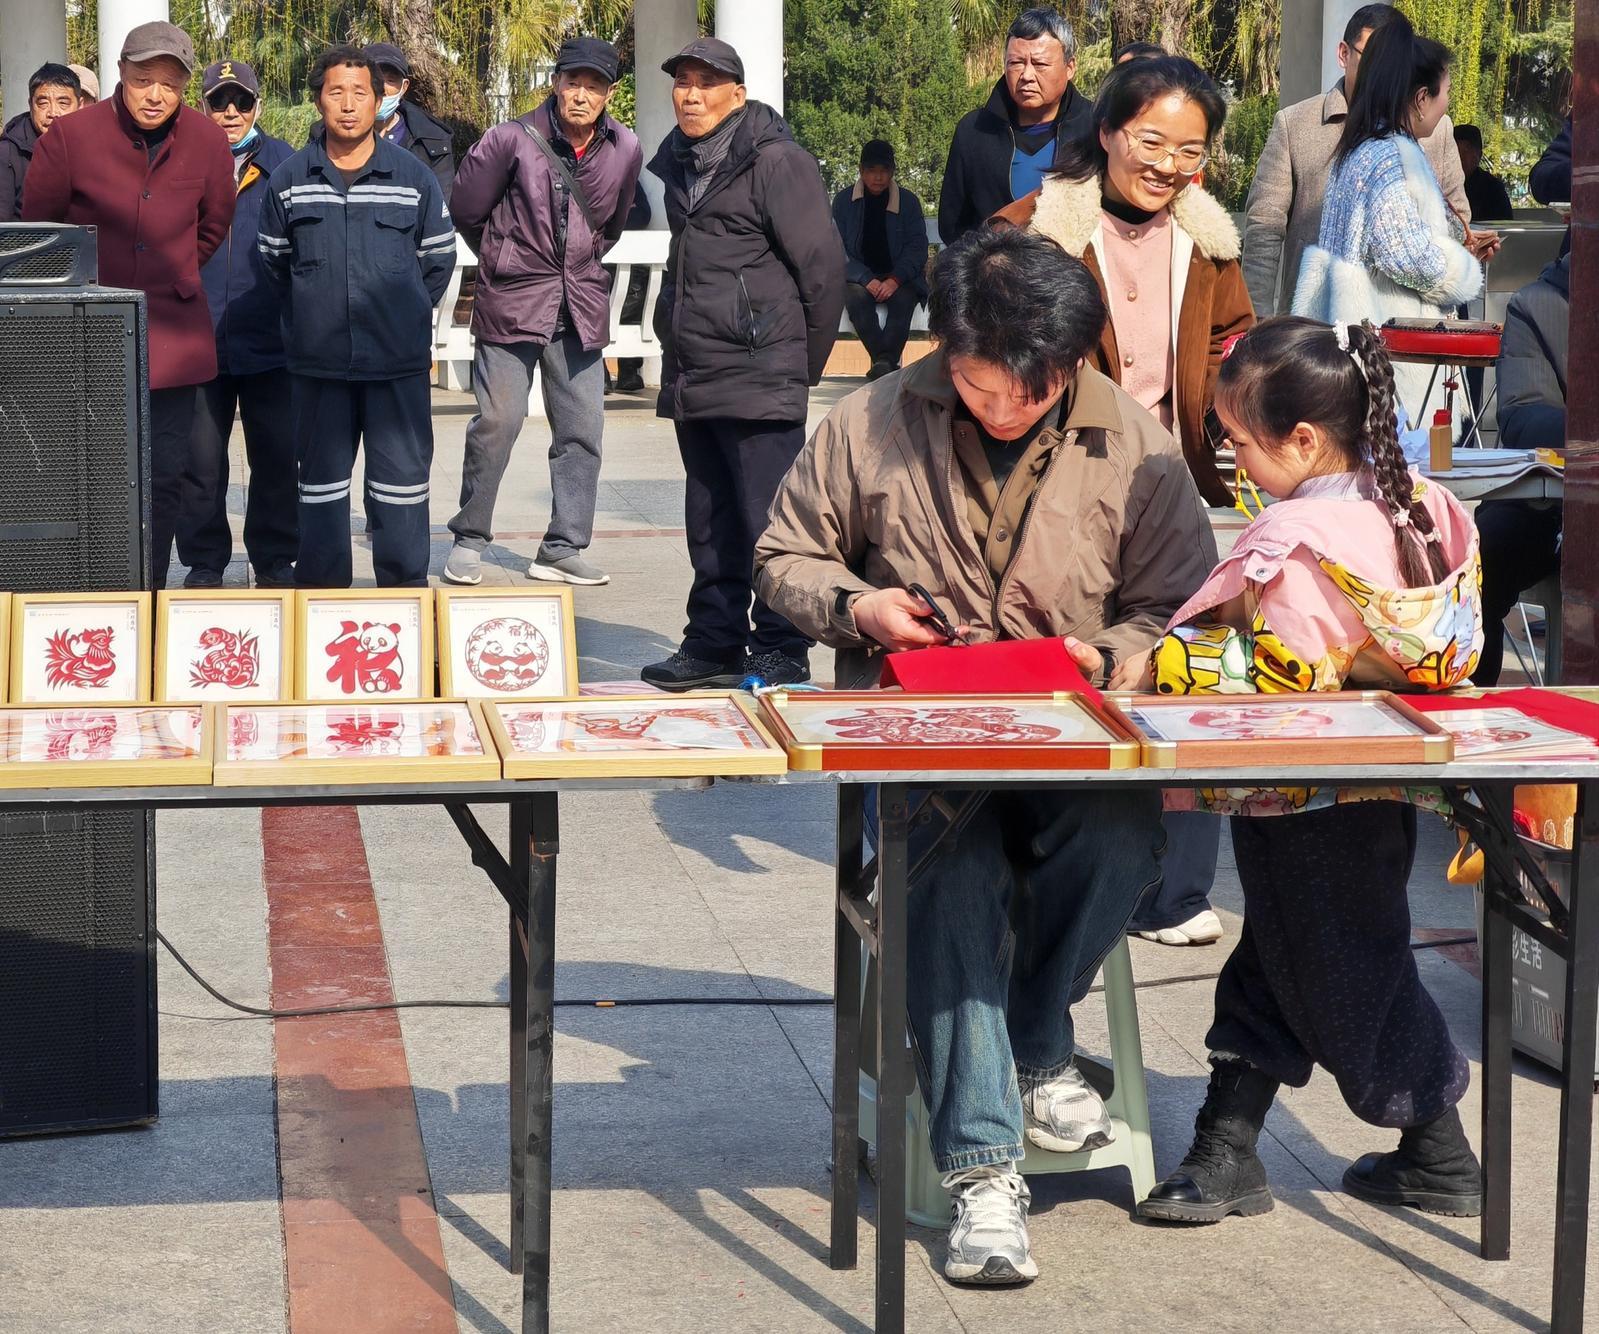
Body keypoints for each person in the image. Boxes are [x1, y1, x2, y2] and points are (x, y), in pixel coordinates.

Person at [754, 226, 1215, 1284]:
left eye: (1030, 388)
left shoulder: (1136, 445)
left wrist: (1102, 654)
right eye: (977, 381)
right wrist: (861, 604)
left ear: (1073, 363)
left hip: (1071, 744)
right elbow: (783, 553)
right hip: (918, 740)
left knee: (1124, 838)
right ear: (943, 343)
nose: (1003, 406)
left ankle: (1035, 1033)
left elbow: (1181, 609)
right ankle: (984, 1169)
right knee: (947, 872)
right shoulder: (871, 420)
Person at [1128, 318, 1484, 1225]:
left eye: (1238, 440)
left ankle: (1436, 1150)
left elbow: (1221, 660)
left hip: (1294, 783)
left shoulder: (1288, 535)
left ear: (1300, 438)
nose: (1234, 462)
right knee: (1290, 951)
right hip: (1388, 777)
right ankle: (1229, 1147)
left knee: (1342, 964)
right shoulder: (1424, 505)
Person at [641, 37, 844, 691]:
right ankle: (712, 642)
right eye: (682, 82)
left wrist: (796, 367)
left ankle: (781, 645)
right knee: (709, 518)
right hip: (694, 370)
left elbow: (822, 268)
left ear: (738, 93)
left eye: (706, 82)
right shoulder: (678, 161)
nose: (690, 94)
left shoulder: (777, 161)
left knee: (770, 519)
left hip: (762, 370)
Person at [23, 21, 235, 589]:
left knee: (166, 471)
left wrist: (173, 270)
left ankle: (148, 589)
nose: (156, 95)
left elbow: (213, 225)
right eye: (144, 80)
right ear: (120, 74)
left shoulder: (209, 141)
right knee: (86, 471)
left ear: (186, 86)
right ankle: (81, 587)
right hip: (84, 335)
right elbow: (39, 231)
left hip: (172, 333)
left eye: (169, 83)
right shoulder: (71, 136)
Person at [995, 56, 1254, 508]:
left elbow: (1229, 338)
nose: (1167, 166)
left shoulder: (1208, 246)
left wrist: (1210, 418)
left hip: (1170, 479)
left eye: (1189, 151)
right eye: (1151, 143)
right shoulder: (1030, 233)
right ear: (1106, 132)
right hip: (1054, 484)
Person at [444, 37, 642, 589]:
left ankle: (563, 546)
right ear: (556, 82)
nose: (582, 95)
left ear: (609, 93)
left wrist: (573, 263)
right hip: (512, 299)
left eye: (595, 85)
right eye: (573, 81)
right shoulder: (511, 138)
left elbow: (613, 224)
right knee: (498, 421)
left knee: (582, 429)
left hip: (579, 303)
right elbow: (466, 209)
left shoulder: (625, 148)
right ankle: (469, 537)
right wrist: (510, 254)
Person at [256, 46, 454, 588]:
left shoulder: (413, 177)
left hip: (397, 366)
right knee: (320, 490)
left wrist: (400, 312)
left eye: (360, 92)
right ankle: (322, 596)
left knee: (402, 490)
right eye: (335, 92)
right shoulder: (291, 179)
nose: (348, 105)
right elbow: (275, 262)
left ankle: (404, 594)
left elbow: (437, 259)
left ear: (380, 98)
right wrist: (313, 312)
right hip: (317, 368)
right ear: (318, 98)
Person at [1293, 12, 1490, 442]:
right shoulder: (1390, 155)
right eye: (1446, 94)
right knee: (1397, 489)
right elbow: (1407, 254)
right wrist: (1463, 271)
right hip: (1387, 362)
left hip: (1359, 348)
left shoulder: (1364, 148)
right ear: (1421, 97)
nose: (1446, 106)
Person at [1241, 3, 1482, 317]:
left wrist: (1465, 245)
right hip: (1319, 327)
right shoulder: (1297, 124)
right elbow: (1264, 227)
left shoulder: (1436, 130)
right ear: (1343, 54)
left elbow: (1455, 213)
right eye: (1372, 59)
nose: (1380, 72)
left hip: (1405, 325)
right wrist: (1254, 319)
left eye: (1392, 63)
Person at [178, 59, 298, 590]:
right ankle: (205, 561)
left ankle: (274, 559)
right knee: (200, 465)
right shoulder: (180, 160)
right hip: (198, 337)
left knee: (274, 459)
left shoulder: (287, 165)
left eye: (241, 101)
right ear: (202, 105)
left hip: (271, 338)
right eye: (219, 101)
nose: (230, 112)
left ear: (258, 106)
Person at [1470, 254, 1567, 686]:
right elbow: (1522, 417)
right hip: (1556, 501)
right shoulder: (1540, 304)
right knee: (1478, 558)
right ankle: (1469, 717)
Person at [939, 7, 1092, 244]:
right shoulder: (974, 131)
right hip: (993, 274)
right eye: (1016, 63)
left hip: (1074, 275)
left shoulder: (1097, 129)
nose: (1027, 75)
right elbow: (952, 226)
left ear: (1070, 67)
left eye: (1040, 64)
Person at [833, 139, 928, 381]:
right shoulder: (844, 202)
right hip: (858, 278)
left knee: (904, 300)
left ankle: (881, 363)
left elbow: (917, 248)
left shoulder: (908, 202)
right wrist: (865, 278)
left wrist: (895, 279)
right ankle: (885, 362)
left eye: (883, 171)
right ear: (861, 171)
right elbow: (836, 248)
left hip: (900, 277)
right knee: (855, 299)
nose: (878, 177)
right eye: (871, 171)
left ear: (892, 172)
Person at [362, 42, 455, 201]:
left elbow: (439, 208)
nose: (382, 88)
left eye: (391, 80)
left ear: (404, 87)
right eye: (374, 79)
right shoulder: (328, 135)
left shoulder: (433, 141)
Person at [0, 63, 81, 222]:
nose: (53, 113)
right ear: (31, 104)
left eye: (63, 103)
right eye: (43, 103)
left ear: (80, 104)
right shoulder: (7, 153)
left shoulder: (93, 149)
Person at [1453, 125, 1512, 221]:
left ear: (1479, 155)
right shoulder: (1442, 184)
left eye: (1466, 151)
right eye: (1456, 151)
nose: (1461, 157)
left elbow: (1503, 227)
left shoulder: (1492, 187)